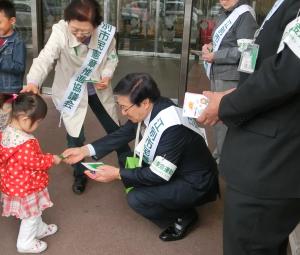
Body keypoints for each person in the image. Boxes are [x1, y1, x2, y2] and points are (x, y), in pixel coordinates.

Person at [62, 73, 219, 241]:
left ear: (144, 103)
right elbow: (123, 133)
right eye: (119, 106)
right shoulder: (157, 105)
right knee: (130, 168)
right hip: (176, 166)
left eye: (125, 107)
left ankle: (184, 215)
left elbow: (158, 174)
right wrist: (85, 150)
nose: (122, 113)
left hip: (196, 182)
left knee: (136, 198)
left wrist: (117, 174)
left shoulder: (173, 128)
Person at [197, 0, 300, 254]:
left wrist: (226, 104)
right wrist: (233, 96)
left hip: (272, 164)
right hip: (264, 158)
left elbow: (284, 73)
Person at [21, 0, 130, 194]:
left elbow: (112, 58)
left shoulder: (106, 34)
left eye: (85, 31)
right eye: (75, 30)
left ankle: (129, 170)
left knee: (115, 130)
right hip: (71, 91)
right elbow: (46, 57)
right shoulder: (60, 31)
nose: (79, 35)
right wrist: (33, 81)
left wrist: (106, 74)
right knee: (74, 136)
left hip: (97, 89)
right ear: (67, 22)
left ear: (95, 26)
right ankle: (79, 174)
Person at [0, 93, 62, 253]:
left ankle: (39, 229)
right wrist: (51, 159)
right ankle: (25, 243)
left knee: (34, 211)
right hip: (26, 186)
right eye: (38, 122)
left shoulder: (6, 131)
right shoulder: (24, 144)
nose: (38, 126)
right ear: (26, 119)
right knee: (31, 216)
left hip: (14, 182)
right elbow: (35, 162)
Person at [202, 0, 257, 163]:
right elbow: (223, 42)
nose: (223, 0)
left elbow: (249, 51)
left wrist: (216, 56)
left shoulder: (244, 15)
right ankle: (220, 153)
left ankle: (223, 159)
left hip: (231, 76)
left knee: (223, 119)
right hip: (217, 72)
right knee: (218, 118)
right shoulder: (224, 14)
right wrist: (209, 46)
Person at [0, 0, 26, 94]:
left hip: (10, 90)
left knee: (7, 109)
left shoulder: (18, 42)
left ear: (12, 21)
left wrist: (1, 62)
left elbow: (20, 68)